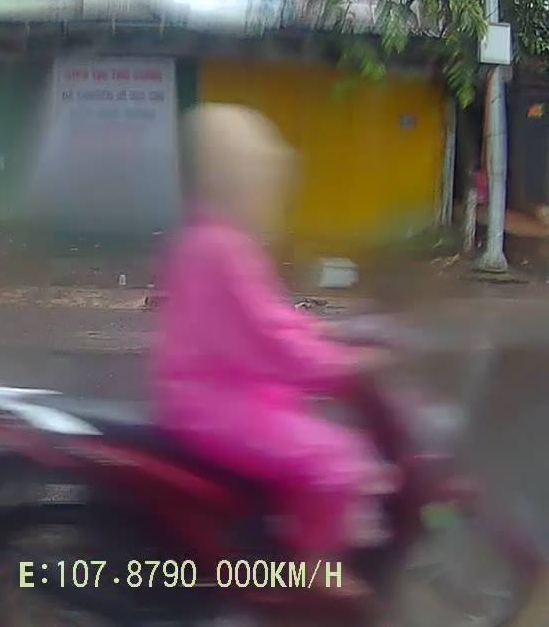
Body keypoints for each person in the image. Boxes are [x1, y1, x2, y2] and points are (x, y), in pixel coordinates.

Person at [151, 105, 398, 582]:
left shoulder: (208, 240)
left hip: (211, 391)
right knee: (338, 460)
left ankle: (280, 535)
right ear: (239, 180)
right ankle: (312, 573)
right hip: (215, 403)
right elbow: (269, 336)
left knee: (315, 429)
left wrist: (320, 332)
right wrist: (341, 367)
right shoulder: (225, 250)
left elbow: (267, 319)